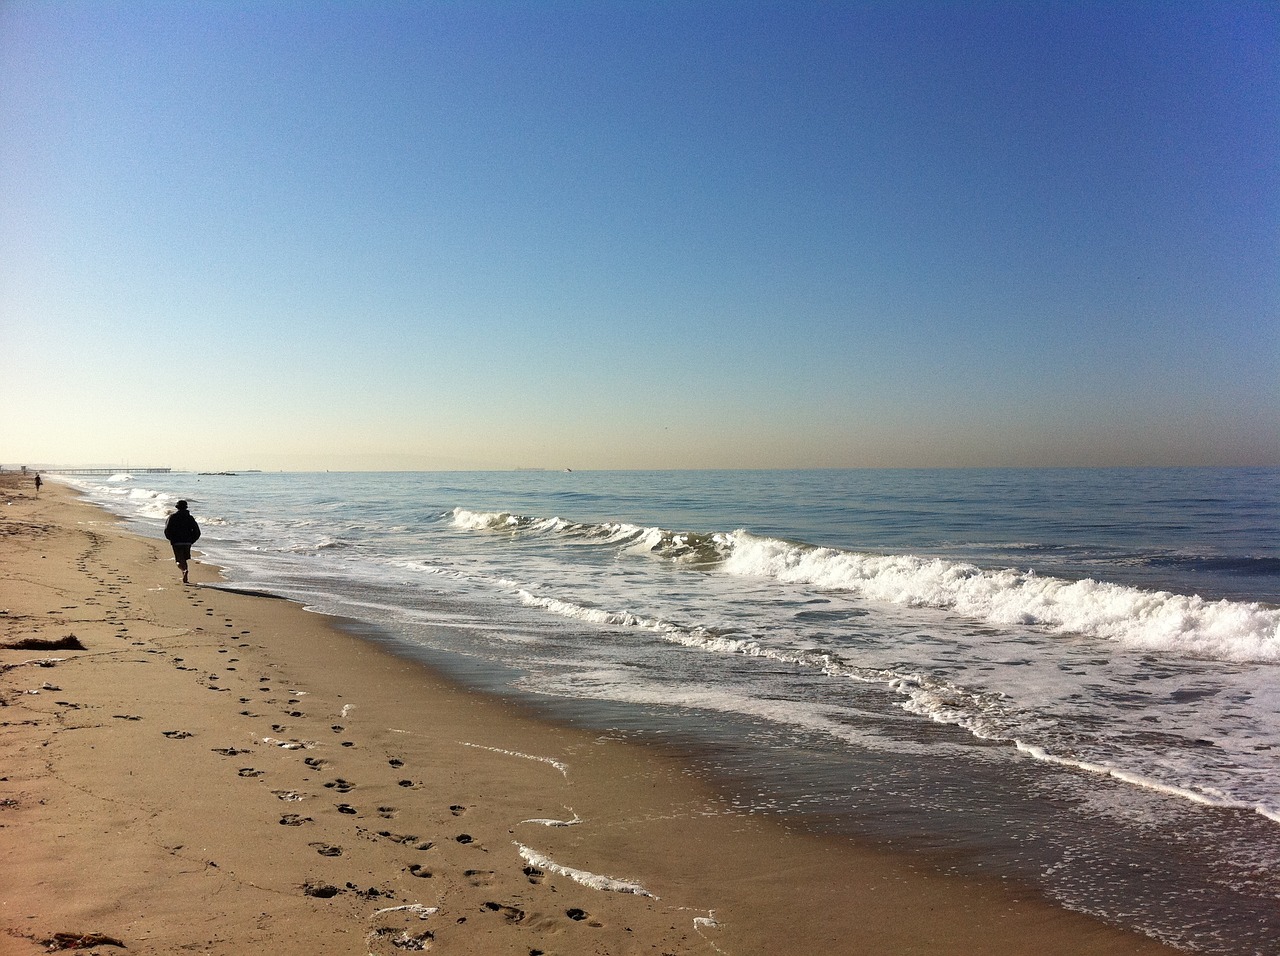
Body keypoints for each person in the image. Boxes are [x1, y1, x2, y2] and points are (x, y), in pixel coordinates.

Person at [164, 500, 201, 584]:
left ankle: (184, 570)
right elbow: (197, 531)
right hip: (187, 541)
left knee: (179, 560)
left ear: (177, 507)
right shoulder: (190, 518)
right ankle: (185, 576)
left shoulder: (172, 517)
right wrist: (192, 540)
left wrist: (171, 539)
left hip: (176, 541)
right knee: (184, 559)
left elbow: (167, 530)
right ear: (186, 507)